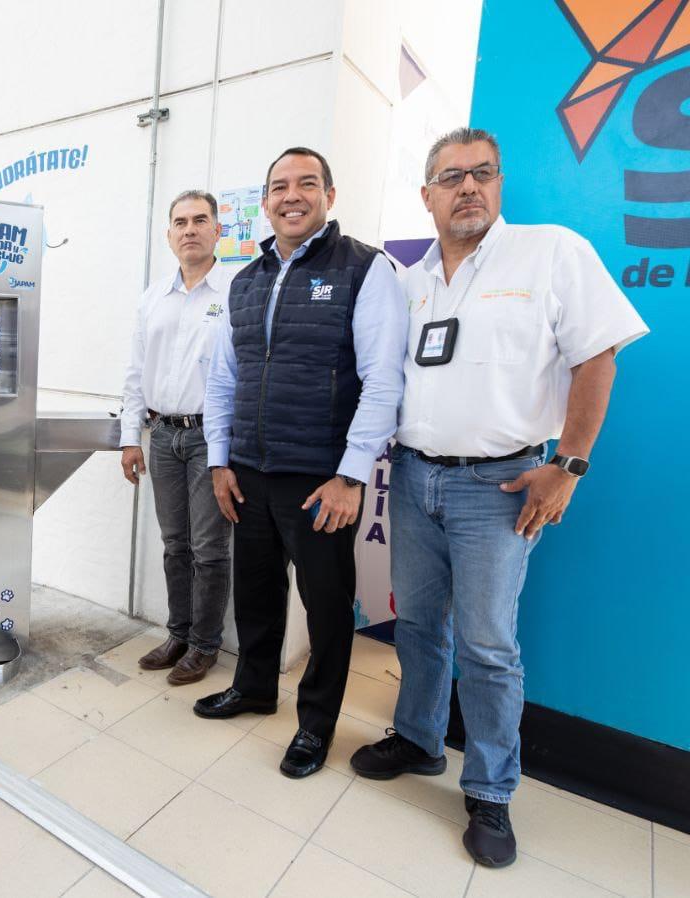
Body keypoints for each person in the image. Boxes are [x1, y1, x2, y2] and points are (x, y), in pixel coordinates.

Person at [350, 127, 647, 868]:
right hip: (413, 477)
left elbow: (598, 356)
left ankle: (490, 790)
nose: (468, 187)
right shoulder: (410, 281)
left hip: (499, 486)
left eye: (482, 173)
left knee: (487, 645)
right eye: (451, 177)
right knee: (418, 624)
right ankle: (418, 739)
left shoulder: (550, 252)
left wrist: (567, 465)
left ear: (499, 183)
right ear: (427, 195)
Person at [198, 147, 407, 780]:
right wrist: (219, 462)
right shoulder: (245, 280)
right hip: (249, 471)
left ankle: (315, 724)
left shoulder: (364, 269)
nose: (292, 196)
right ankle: (254, 686)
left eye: (307, 184)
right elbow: (223, 378)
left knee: (326, 607)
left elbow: (383, 381)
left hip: (321, 480)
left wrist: (351, 476)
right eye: (280, 186)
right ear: (265, 202)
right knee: (256, 594)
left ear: (329, 196)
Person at [120, 190, 234, 685]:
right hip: (163, 436)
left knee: (209, 547)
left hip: (211, 437)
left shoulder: (234, 294)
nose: (190, 229)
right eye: (181, 222)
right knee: (174, 545)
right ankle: (178, 634)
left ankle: (205, 645)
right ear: (169, 235)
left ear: (217, 231)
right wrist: (130, 438)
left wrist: (229, 452)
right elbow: (135, 373)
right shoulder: (153, 298)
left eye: (200, 220)